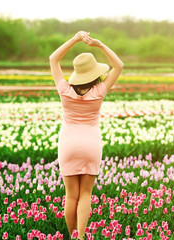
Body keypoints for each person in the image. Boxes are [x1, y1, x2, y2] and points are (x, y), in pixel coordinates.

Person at [49, 31, 123, 239]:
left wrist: (74, 39)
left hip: (68, 144)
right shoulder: (99, 91)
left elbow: (53, 58)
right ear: (93, 73)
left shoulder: (64, 89)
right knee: (86, 195)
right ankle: (81, 237)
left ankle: (71, 235)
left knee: (70, 196)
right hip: (91, 144)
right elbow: (119, 65)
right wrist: (99, 45)